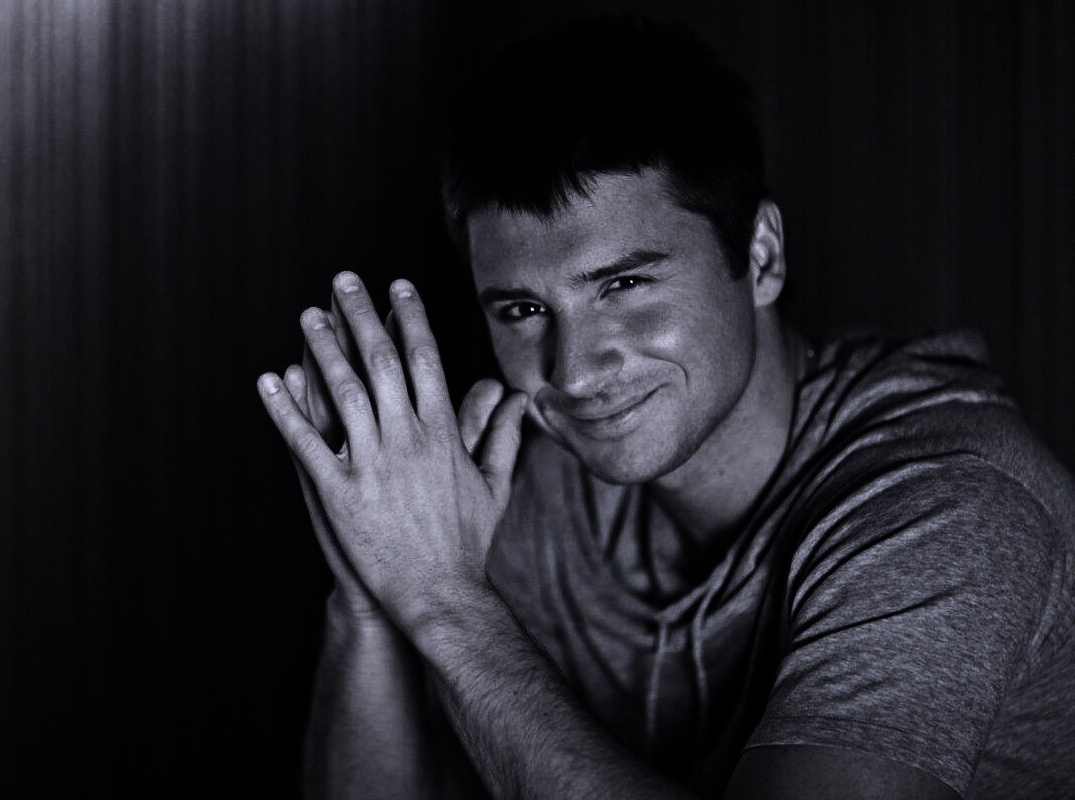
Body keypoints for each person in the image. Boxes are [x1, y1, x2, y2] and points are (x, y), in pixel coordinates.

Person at [256, 13, 1075, 800]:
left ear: (761, 257)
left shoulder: (952, 507)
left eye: (623, 284)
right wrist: (372, 587)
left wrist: (443, 602)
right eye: (524, 310)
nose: (574, 372)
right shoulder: (550, 492)